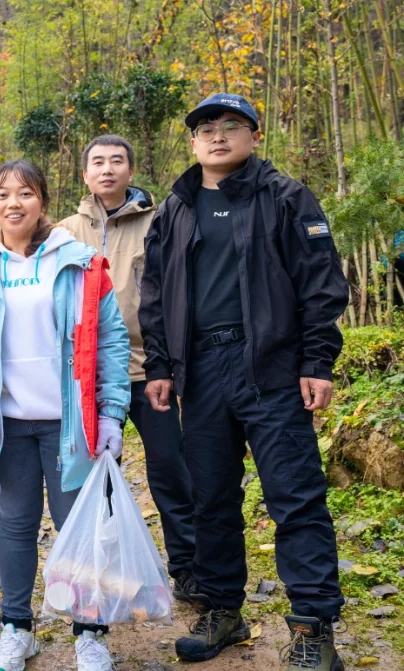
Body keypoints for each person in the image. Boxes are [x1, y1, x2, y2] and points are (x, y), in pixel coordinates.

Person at [139, 94, 351, 671]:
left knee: (295, 497)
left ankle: (312, 626)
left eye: (230, 126)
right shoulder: (176, 209)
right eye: (206, 128)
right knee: (210, 498)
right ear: (192, 142)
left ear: (254, 136)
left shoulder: (285, 197)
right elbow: (155, 295)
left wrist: (317, 361)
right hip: (201, 372)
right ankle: (223, 610)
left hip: (273, 369)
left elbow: (321, 283)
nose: (217, 136)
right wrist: (160, 366)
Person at [0, 158, 130, 671]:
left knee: (78, 528)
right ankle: (16, 628)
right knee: (15, 527)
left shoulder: (79, 261)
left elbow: (111, 340)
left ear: (42, 201)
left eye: (24, 193)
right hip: (6, 425)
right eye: (2, 195)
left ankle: (89, 632)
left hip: (69, 423)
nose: (13, 204)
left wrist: (112, 411)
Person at [59, 136, 198, 603]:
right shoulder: (63, 231)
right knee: (95, 479)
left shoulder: (159, 222)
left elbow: (175, 292)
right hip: (87, 379)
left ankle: (189, 567)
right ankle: (106, 571)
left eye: (117, 160)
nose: (107, 169)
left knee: (169, 469)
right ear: (85, 174)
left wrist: (170, 361)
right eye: (97, 161)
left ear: (130, 170)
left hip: (148, 370)